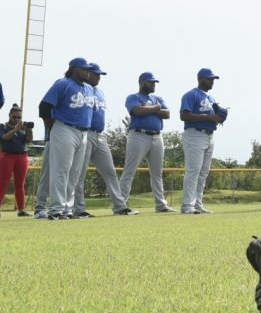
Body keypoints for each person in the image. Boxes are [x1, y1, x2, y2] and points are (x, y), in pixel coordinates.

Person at [72, 63, 136, 217]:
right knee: (80, 174)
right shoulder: (81, 90)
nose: (98, 77)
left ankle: (120, 207)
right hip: (85, 133)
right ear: (87, 74)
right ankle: (78, 209)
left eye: (100, 75)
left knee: (110, 172)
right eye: (95, 74)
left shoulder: (100, 92)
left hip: (100, 136)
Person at [38, 58, 96, 219]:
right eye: (85, 69)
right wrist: (53, 128)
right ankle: (56, 209)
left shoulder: (90, 89)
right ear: (74, 69)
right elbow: (44, 107)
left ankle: (67, 209)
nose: (88, 71)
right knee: (61, 171)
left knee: (74, 173)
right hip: (64, 128)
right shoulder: (63, 84)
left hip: (83, 132)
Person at [121, 72, 173, 212]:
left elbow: (167, 113)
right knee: (129, 172)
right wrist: (156, 108)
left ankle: (161, 205)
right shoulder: (133, 97)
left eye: (154, 82)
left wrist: (149, 109)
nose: (153, 84)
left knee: (157, 173)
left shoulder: (157, 98)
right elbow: (138, 111)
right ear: (142, 82)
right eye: (150, 82)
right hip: (138, 135)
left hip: (157, 137)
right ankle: (121, 205)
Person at [179, 68, 227, 214]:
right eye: (209, 78)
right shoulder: (191, 95)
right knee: (193, 171)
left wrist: (219, 118)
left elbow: (214, 117)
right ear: (200, 79)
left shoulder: (211, 98)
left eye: (213, 79)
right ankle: (187, 205)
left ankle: (197, 204)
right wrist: (207, 117)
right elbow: (184, 115)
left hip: (209, 135)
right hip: (194, 134)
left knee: (203, 172)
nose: (212, 81)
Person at [1, 105, 33, 217]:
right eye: (15, 117)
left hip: (22, 156)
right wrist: (16, 129)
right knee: (2, 183)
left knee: (20, 184)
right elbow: (4, 138)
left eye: (19, 117)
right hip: (7, 156)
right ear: (9, 115)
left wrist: (29, 130)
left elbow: (29, 140)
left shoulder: (23, 127)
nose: (17, 120)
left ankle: (21, 210)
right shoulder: (3, 126)